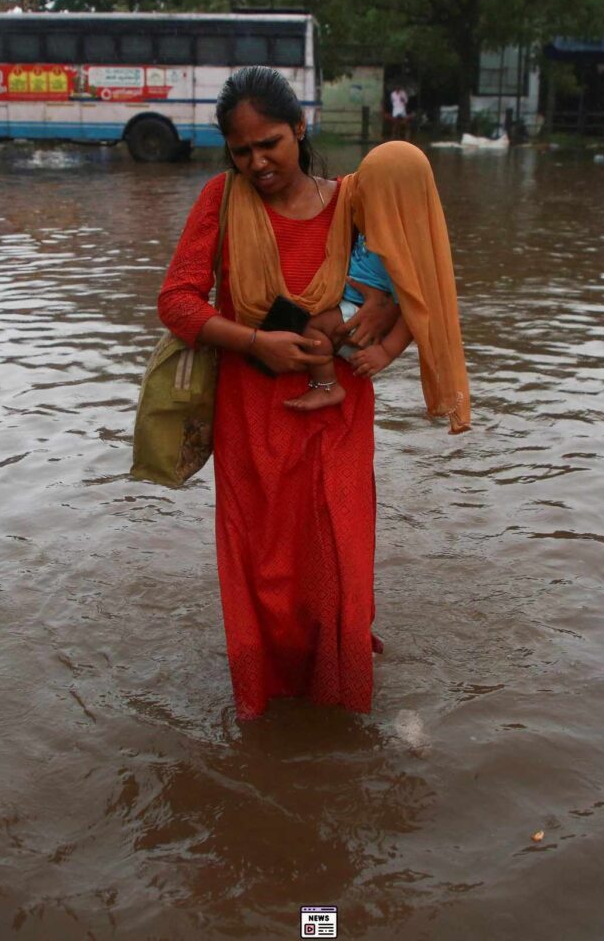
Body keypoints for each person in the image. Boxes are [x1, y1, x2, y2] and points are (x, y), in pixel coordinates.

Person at [157, 66, 469, 720]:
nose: (257, 161)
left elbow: (421, 278)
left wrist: (386, 348)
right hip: (252, 415)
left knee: (338, 556)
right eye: (241, 150)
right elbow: (177, 303)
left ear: (300, 129)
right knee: (266, 566)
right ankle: (267, 697)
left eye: (269, 142)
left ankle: (339, 689)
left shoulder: (356, 200)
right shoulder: (220, 199)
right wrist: (253, 342)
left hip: (339, 415)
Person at [280, 235, 412, 412]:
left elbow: (416, 308)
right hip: (350, 307)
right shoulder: (367, 228)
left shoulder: (398, 248)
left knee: (310, 326)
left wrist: (386, 351)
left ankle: (326, 385)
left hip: (358, 313)